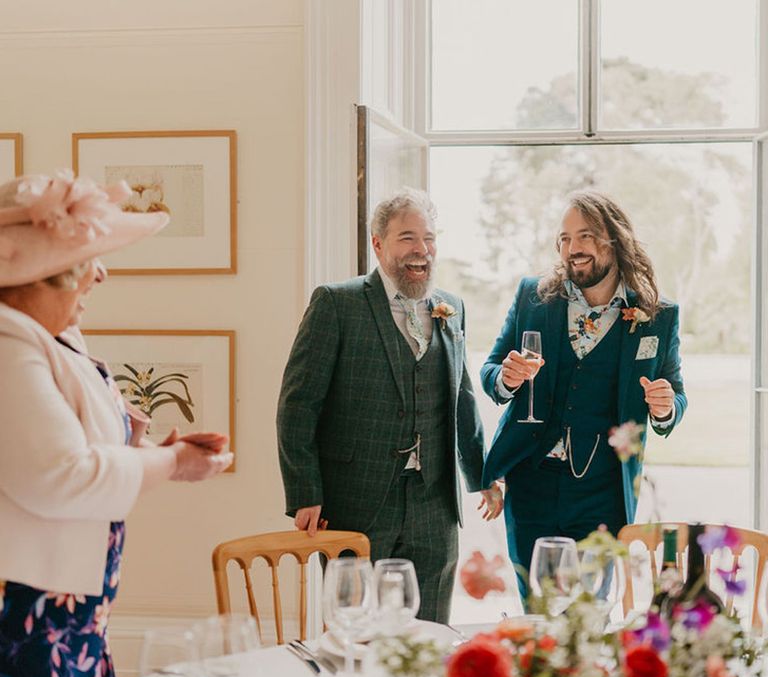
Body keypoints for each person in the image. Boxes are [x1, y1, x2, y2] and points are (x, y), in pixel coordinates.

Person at [0, 171, 234, 677]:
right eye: (85, 263)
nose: (100, 275)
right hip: (22, 611)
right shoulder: (7, 345)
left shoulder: (52, 334)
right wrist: (171, 463)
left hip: (71, 606)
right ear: (39, 275)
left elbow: (62, 450)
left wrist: (146, 448)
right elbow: (61, 475)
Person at [277, 188, 503, 623]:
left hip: (435, 504)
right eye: (407, 238)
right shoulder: (337, 304)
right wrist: (305, 493)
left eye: (429, 238)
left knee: (431, 629)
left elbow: (463, 398)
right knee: (357, 630)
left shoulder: (451, 308)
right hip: (355, 501)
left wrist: (484, 476)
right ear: (378, 244)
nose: (421, 251)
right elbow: (298, 405)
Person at [480, 190, 686, 590]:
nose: (573, 248)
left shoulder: (657, 315)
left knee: (591, 617)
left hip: (603, 491)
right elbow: (491, 371)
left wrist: (665, 406)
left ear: (616, 239)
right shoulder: (533, 297)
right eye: (564, 238)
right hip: (531, 482)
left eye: (586, 235)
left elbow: (675, 392)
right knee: (537, 612)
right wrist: (506, 378)